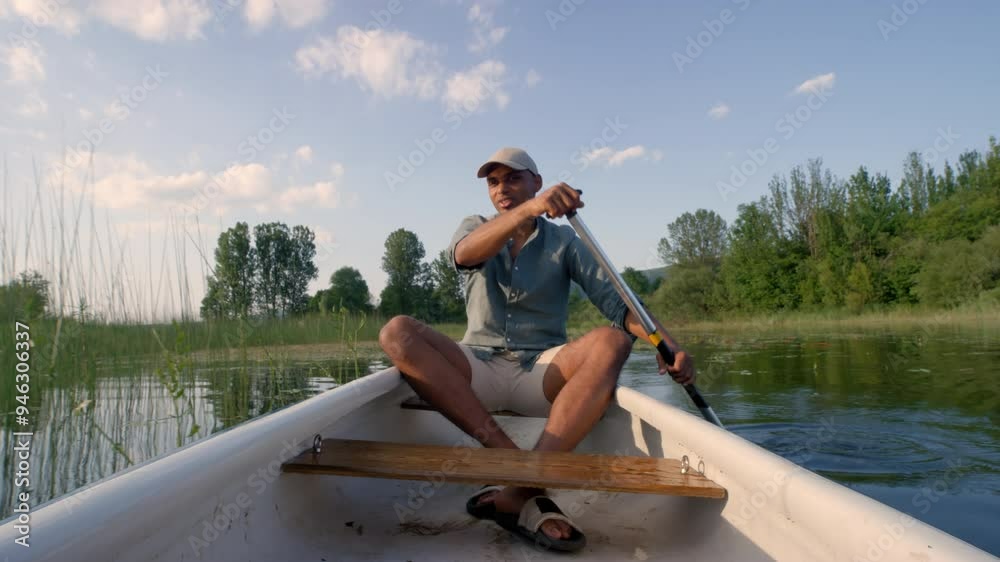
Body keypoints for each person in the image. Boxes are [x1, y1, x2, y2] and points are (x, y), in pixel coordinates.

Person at [378, 146, 695, 552]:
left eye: (513, 178)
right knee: (397, 332)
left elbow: (619, 305)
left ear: (536, 183)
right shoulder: (474, 227)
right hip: (477, 365)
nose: (502, 189)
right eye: (493, 182)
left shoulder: (563, 241)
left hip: (541, 370)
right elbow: (465, 255)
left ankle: (518, 487)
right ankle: (522, 474)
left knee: (613, 340)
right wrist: (528, 211)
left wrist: (669, 346)